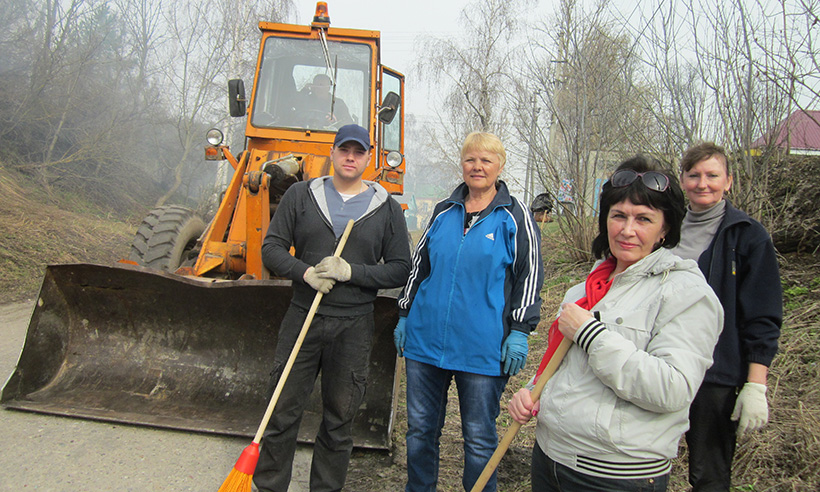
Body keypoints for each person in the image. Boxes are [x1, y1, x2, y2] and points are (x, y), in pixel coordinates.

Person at [508, 155, 724, 492]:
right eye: (618, 215)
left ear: (665, 228)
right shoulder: (585, 289)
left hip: (616, 476)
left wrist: (591, 334)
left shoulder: (686, 293)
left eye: (644, 219)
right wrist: (535, 391)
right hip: (550, 458)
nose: (627, 230)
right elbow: (563, 367)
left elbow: (674, 389)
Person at [254, 124, 412, 492]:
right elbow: (271, 249)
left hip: (353, 326)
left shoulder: (386, 208)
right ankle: (270, 485)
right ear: (333, 152)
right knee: (281, 410)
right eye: (344, 150)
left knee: (340, 420)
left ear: (368, 158)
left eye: (358, 152)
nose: (350, 157)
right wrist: (306, 273)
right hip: (302, 318)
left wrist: (351, 272)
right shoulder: (300, 195)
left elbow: (400, 268)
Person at [394, 131, 544, 492]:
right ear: (462, 165)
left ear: (500, 166)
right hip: (426, 341)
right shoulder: (444, 211)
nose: (477, 167)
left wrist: (520, 329)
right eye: (470, 159)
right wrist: (405, 313)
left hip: (481, 347)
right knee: (420, 431)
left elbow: (530, 274)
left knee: (478, 438)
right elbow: (419, 266)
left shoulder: (514, 215)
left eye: (486, 160)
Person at [673, 143, 782, 492]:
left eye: (712, 175)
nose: (703, 183)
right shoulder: (665, 229)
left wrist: (756, 384)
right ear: (682, 180)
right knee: (645, 461)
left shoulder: (747, 235)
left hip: (716, 374)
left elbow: (762, 315)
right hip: (662, 364)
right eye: (694, 175)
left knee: (709, 474)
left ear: (729, 181)